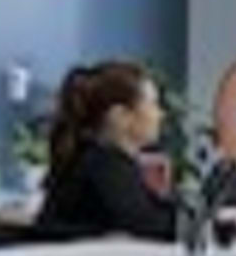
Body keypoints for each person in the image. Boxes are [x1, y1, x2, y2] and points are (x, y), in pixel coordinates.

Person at [36, 60, 176, 243]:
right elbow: (150, 227)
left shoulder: (88, 157)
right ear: (120, 116)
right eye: (153, 104)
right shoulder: (105, 167)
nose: (160, 114)